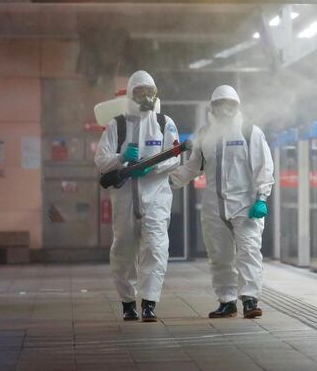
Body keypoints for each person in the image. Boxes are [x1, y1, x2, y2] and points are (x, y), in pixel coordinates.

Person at [170, 85, 274, 319]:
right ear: (213, 108)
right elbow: (192, 167)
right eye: (220, 105)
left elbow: (264, 167)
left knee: (248, 252)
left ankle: (249, 299)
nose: (225, 109)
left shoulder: (249, 132)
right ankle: (227, 301)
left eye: (230, 104)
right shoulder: (205, 135)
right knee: (219, 256)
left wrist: (262, 197)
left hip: (246, 206)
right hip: (213, 207)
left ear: (236, 107)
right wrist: (168, 181)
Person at [95, 70, 180, 322]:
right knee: (123, 249)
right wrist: (121, 159)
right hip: (124, 201)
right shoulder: (117, 125)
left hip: (156, 200)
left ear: (155, 94)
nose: (145, 96)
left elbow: (175, 157)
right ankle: (128, 302)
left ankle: (149, 303)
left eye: (149, 91)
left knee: (155, 248)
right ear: (131, 94)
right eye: (140, 91)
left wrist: (152, 166)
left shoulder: (165, 123)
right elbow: (101, 159)